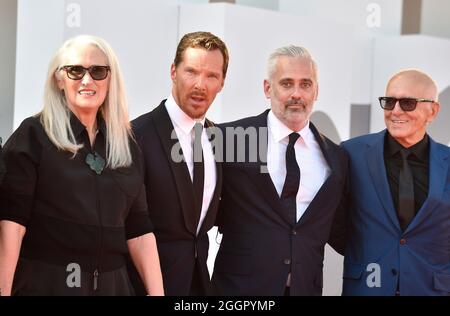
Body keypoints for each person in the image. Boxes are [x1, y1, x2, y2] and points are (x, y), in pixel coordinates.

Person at [0, 35, 164, 296]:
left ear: (110, 80)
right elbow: (12, 225)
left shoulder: (126, 144)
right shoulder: (33, 136)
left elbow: (140, 232)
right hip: (47, 284)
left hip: (113, 288)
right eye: (76, 70)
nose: (87, 80)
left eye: (98, 71)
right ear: (59, 79)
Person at [211, 45, 348, 296]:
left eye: (305, 84)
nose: (297, 93)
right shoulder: (229, 139)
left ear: (316, 90)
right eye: (286, 84)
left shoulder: (336, 158)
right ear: (267, 88)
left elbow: (340, 231)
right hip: (238, 291)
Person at [130, 31, 227, 296]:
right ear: (173, 71)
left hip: (198, 287)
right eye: (191, 72)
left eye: (211, 76)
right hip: (143, 288)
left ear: (222, 82)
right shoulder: (136, 136)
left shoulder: (219, 139)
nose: (200, 85)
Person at [337, 69, 450, 296]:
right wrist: (368, 249)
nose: (396, 111)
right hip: (367, 287)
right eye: (389, 102)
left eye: (407, 103)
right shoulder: (351, 154)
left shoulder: (447, 164)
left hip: (431, 289)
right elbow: (331, 221)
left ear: (433, 111)